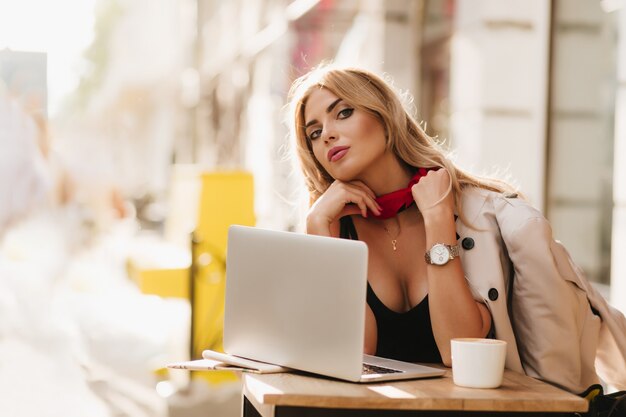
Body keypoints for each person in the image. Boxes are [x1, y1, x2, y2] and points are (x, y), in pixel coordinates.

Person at [287, 64, 626, 394]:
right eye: (315, 133)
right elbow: (351, 354)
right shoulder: (333, 228)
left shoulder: (475, 216)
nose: (328, 134)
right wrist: (319, 229)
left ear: (385, 117)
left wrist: (436, 220)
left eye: (343, 112)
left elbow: (456, 350)